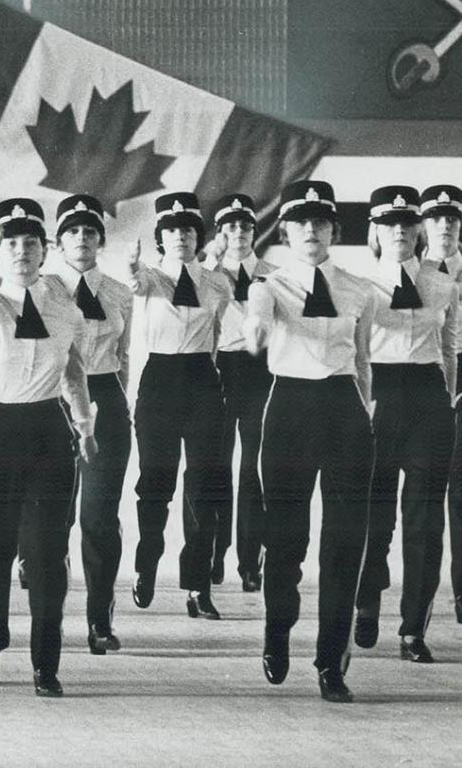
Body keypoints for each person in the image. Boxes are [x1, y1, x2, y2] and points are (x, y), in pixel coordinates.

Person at [244, 179, 379, 703]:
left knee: (345, 543)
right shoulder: (267, 286)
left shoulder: (358, 289)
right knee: (286, 539)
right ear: (287, 232)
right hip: (290, 411)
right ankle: (278, 629)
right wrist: (255, 330)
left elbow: (363, 360)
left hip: (344, 409)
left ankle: (331, 663)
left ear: (333, 230)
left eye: (320, 222)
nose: (311, 231)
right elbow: (256, 329)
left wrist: (365, 412)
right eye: (300, 222)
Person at [0, 199, 94, 698]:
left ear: (46, 250)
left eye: (31, 243)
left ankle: (46, 661)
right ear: (0, 248)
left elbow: (75, 368)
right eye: (11, 242)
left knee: (46, 551)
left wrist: (84, 424)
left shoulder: (65, 306)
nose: (21, 251)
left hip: (47, 429)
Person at [354, 186, 456, 664]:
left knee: (424, 520)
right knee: (374, 515)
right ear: (374, 231)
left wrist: (448, 403)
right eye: (389, 223)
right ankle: (366, 601)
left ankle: (413, 629)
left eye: (407, 223)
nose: (399, 230)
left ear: (419, 231)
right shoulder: (359, 284)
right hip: (377, 395)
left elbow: (450, 347)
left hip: (428, 398)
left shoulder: (442, 282)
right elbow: (353, 353)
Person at [125, 191, 233, 620]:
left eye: (188, 229)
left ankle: (197, 586)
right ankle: (146, 565)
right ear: (160, 238)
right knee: (156, 479)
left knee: (205, 485)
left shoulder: (215, 281)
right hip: (160, 381)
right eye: (171, 230)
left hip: (203, 381)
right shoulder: (151, 277)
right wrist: (132, 265)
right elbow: (134, 282)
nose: (180, 237)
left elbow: (219, 327)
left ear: (197, 236)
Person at [45, 194, 133, 654]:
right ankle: (49, 620)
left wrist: (120, 403)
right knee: (52, 519)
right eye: (73, 231)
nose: (82, 238)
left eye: (90, 231)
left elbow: (126, 356)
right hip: (52, 402)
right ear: (58, 242)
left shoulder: (119, 292)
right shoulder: (41, 289)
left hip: (107, 398)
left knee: (99, 517)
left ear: (100, 239)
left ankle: (99, 620)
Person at [207, 193, 272, 593]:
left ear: (254, 230)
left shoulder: (273, 273)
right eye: (230, 227)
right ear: (220, 233)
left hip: (260, 371)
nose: (238, 234)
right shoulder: (205, 275)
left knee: (254, 470)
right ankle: (214, 556)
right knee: (215, 467)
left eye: (245, 226)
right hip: (218, 369)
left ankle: (251, 562)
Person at [423, 184, 462, 625]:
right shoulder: (410, 274)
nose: (446, 225)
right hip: (426, 380)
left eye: (452, 218)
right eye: (436, 218)